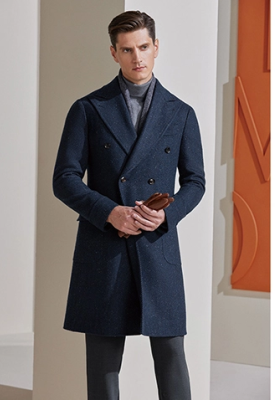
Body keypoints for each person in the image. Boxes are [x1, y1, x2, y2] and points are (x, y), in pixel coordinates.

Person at [53, 10, 205, 400]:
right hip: (104, 247)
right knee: (103, 364)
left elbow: (195, 181)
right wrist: (110, 212)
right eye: (127, 49)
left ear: (156, 47)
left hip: (157, 246)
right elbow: (64, 178)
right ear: (113, 53)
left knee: (171, 356)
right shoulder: (88, 109)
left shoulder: (181, 113)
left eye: (143, 47)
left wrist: (166, 215)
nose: (137, 57)